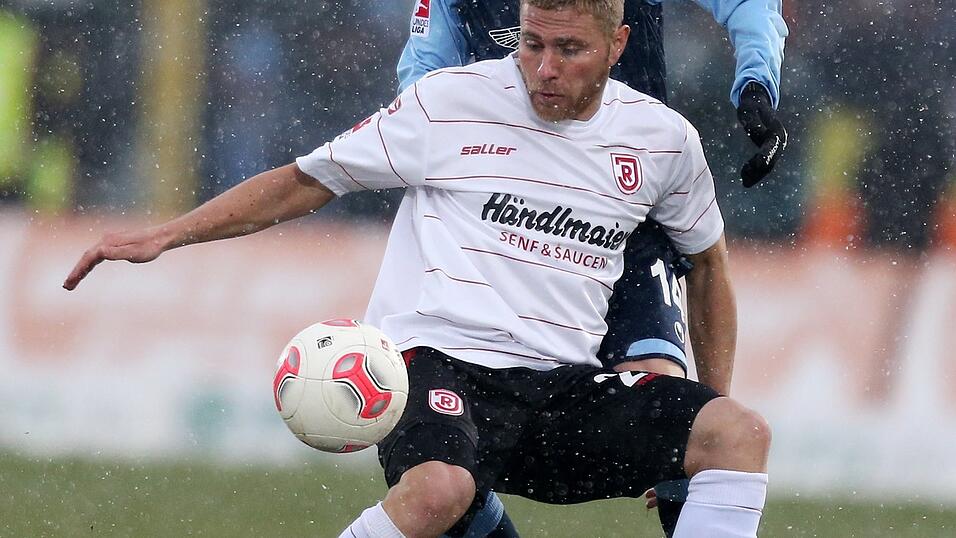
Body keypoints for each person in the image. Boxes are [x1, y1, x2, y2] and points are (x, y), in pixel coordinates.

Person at [63, 1, 771, 537]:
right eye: (530, 42)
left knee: (737, 433)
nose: (544, 68)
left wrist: (698, 412)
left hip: (560, 392)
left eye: (568, 49)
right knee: (438, 492)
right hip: (434, 365)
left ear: (619, 44)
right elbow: (307, 179)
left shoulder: (662, 140)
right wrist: (167, 235)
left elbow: (709, 266)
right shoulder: (450, 102)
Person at [399, 1, 787, 535]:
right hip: (511, 222)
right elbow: (423, 75)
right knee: (461, 445)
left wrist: (756, 83)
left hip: (629, 215)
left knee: (671, 413)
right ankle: (466, 501)